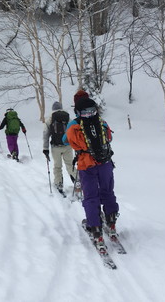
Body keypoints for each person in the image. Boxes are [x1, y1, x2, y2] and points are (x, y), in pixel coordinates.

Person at [65, 97, 119, 248]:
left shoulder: (74, 125)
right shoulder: (102, 122)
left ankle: (96, 230)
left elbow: (66, 140)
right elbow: (110, 137)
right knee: (108, 192)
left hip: (86, 164)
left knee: (90, 197)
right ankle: (112, 223)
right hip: (105, 163)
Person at [42, 101, 76, 195]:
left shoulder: (50, 119)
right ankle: (79, 180)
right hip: (68, 146)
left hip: (55, 147)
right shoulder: (67, 117)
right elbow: (74, 129)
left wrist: (45, 148)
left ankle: (59, 183)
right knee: (70, 165)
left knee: (57, 166)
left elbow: (46, 134)